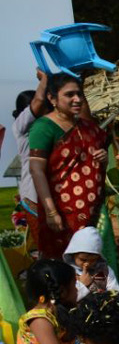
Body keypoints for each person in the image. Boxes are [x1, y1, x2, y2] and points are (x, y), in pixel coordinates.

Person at [28, 72, 108, 258]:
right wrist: (51, 211)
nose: (77, 99)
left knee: (89, 264)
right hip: (61, 212)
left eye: (79, 94)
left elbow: (94, 161)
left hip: (90, 212)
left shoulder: (86, 126)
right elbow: (36, 169)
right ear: (52, 98)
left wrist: (104, 158)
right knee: (61, 265)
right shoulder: (44, 127)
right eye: (69, 94)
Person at [12, 70, 50, 229]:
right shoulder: (21, 127)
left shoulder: (47, 129)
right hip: (34, 197)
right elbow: (40, 100)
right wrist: (45, 80)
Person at [63, 226, 119, 300]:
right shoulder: (66, 273)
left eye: (93, 260)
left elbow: (115, 292)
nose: (87, 263)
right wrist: (83, 285)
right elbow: (67, 300)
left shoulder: (104, 271)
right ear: (73, 254)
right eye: (83, 259)